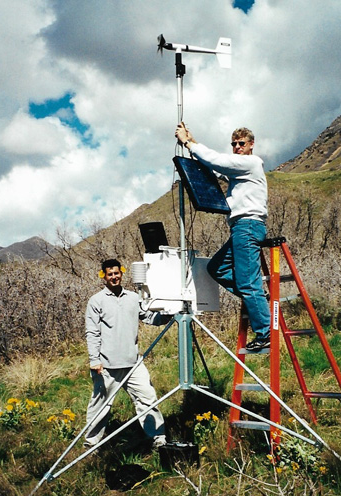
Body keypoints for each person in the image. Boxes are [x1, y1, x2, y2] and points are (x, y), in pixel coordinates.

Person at [175, 123, 270, 352]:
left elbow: (218, 161)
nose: (237, 147)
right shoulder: (240, 171)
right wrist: (192, 143)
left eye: (241, 144)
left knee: (248, 283)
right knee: (217, 268)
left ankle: (265, 333)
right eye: (234, 144)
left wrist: (188, 143)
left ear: (251, 145)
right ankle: (257, 300)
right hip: (240, 227)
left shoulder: (251, 163)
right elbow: (215, 168)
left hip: (247, 225)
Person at [84, 258, 167, 449]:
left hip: (133, 363)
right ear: (103, 276)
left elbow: (148, 317)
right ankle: (91, 443)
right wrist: (94, 360)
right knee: (100, 406)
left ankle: (158, 439)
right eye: (109, 274)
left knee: (147, 397)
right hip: (107, 366)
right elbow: (92, 332)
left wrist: (169, 315)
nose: (114, 277)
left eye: (116, 273)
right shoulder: (96, 301)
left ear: (122, 273)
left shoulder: (133, 297)